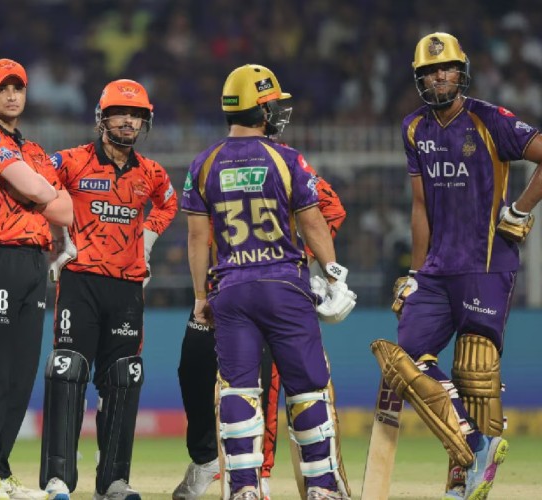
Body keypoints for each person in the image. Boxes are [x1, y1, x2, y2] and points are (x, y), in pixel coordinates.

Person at [372, 32, 542, 500]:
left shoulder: (490, 119)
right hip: (435, 271)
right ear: (419, 79)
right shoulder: (413, 128)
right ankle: (475, 446)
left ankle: (462, 479)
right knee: (404, 360)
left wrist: (520, 210)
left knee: (475, 371)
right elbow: (420, 207)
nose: (439, 77)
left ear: (461, 72)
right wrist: (414, 273)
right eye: (429, 71)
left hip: (486, 264)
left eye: (446, 68)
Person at [183, 64, 357, 500]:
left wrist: (201, 296)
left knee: (238, 391)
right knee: (307, 389)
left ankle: (244, 488)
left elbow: (198, 238)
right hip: (284, 286)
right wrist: (333, 275)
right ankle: (321, 487)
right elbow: (313, 222)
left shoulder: (203, 163)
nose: (279, 111)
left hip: (231, 290)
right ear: (260, 108)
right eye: (274, 103)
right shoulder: (287, 158)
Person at [41, 78, 178, 500]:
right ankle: (59, 478)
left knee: (124, 378)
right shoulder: (71, 161)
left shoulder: (151, 172)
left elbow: (169, 203)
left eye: (136, 115)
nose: (129, 121)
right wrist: (57, 241)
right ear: (102, 118)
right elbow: (36, 186)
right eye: (121, 113)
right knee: (67, 371)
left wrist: (146, 243)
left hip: (127, 288)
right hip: (80, 281)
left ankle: (113, 481)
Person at [0, 58, 73, 500]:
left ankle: (2, 471)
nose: (11, 95)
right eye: (2, 88)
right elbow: (40, 191)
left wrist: (40, 192)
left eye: (18, 88)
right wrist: (42, 193)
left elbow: (65, 210)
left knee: (24, 370)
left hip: (34, 260)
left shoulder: (35, 150)